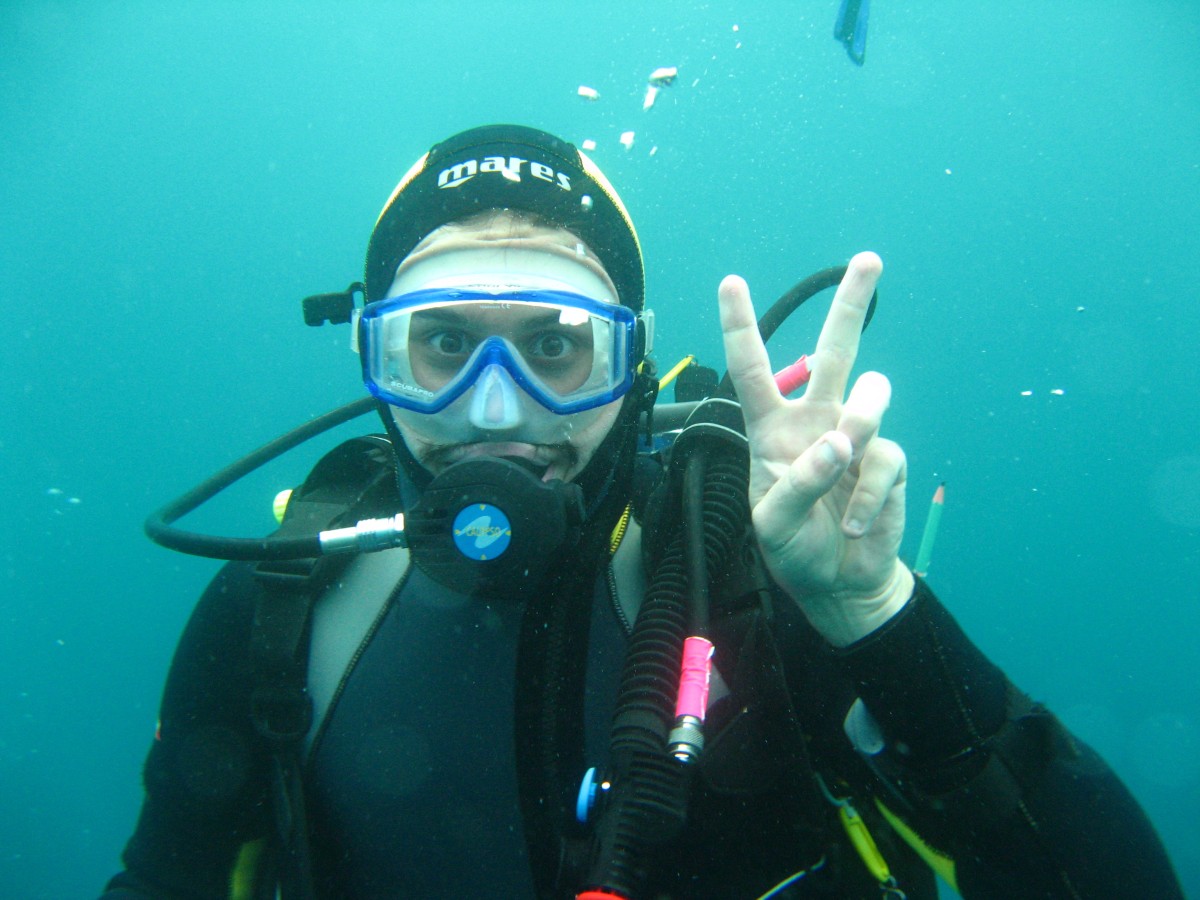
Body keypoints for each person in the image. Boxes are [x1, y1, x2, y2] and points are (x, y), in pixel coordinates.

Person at [101, 124, 1182, 899]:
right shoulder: (280, 604)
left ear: (629, 366)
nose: (494, 408)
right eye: (440, 344)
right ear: (373, 355)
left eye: (556, 346)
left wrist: (871, 611)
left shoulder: (753, 576)